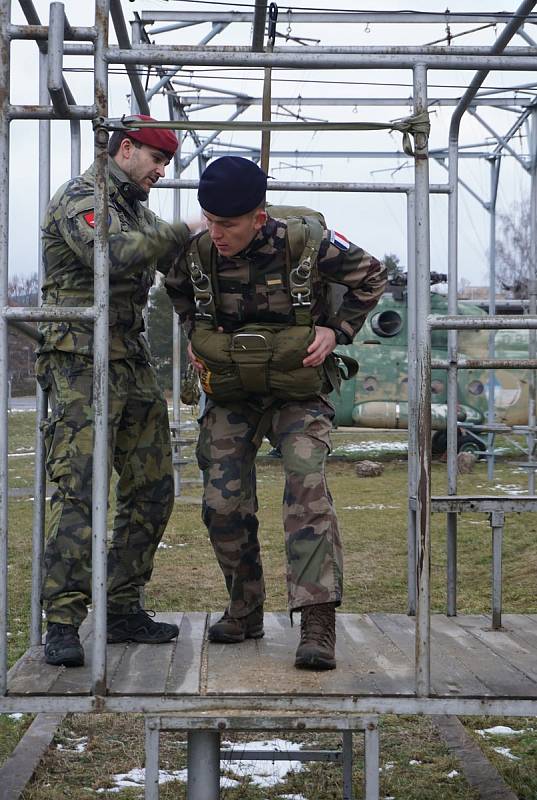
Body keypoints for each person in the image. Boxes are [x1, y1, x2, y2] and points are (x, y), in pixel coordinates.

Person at [165, 156, 387, 670]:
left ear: (259, 217)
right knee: (222, 502)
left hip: (297, 392)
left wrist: (338, 331)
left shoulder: (306, 244)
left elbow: (372, 276)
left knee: (306, 487)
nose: (217, 233)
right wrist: (195, 335)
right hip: (232, 395)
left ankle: (316, 621)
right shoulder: (197, 253)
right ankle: (244, 610)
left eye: (229, 224)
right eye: (210, 220)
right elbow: (176, 288)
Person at [37, 115, 191, 667]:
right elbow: (116, 253)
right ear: (126, 149)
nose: (161, 171)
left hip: (131, 361)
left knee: (154, 486)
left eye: (167, 163)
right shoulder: (83, 196)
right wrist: (182, 230)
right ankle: (62, 620)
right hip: (81, 360)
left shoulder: (138, 211)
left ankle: (123, 605)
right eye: (157, 160)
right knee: (79, 486)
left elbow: (171, 261)